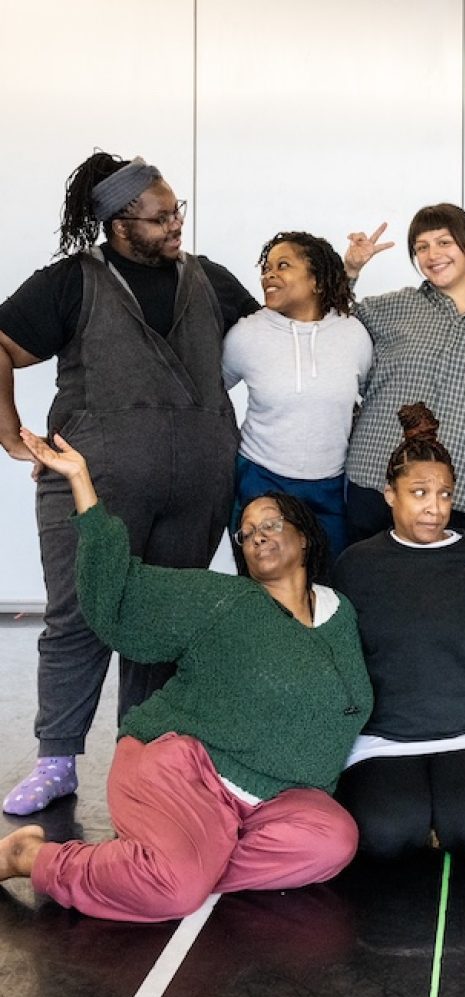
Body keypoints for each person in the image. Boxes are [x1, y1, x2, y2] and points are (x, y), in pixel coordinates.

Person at [0, 427, 372, 923]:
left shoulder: (340, 612)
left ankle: (170, 865)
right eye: (247, 532)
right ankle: (32, 857)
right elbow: (122, 600)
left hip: (272, 802)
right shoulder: (224, 599)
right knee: (175, 893)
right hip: (181, 769)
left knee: (333, 843)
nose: (257, 534)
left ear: (304, 535)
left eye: (273, 524)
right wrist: (82, 484)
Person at [0, 152, 259, 815]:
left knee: (163, 622)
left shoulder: (212, 282)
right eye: (161, 216)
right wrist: (9, 433)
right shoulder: (70, 283)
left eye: (178, 211)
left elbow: (279, 342)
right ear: (119, 223)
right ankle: (57, 761)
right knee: (80, 617)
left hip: (198, 484)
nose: (176, 224)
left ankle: (142, 758)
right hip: (94, 487)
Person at [332, 403, 465, 859]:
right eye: (419, 493)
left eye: (446, 495)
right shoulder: (356, 564)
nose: (435, 509)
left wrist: (461, 659)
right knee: (386, 836)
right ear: (390, 494)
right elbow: (339, 653)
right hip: (384, 735)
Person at [340, 204, 465, 551]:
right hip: (379, 485)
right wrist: (349, 270)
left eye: (444, 242)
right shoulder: (394, 307)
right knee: (368, 592)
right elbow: (329, 324)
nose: (433, 255)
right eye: (421, 247)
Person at [223, 231, 372, 568]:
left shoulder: (353, 335)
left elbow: (370, 396)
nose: (268, 275)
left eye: (283, 265)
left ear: (317, 280)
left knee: (328, 587)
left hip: (330, 486)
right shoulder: (246, 334)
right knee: (264, 592)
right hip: (262, 480)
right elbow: (212, 393)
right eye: (266, 267)